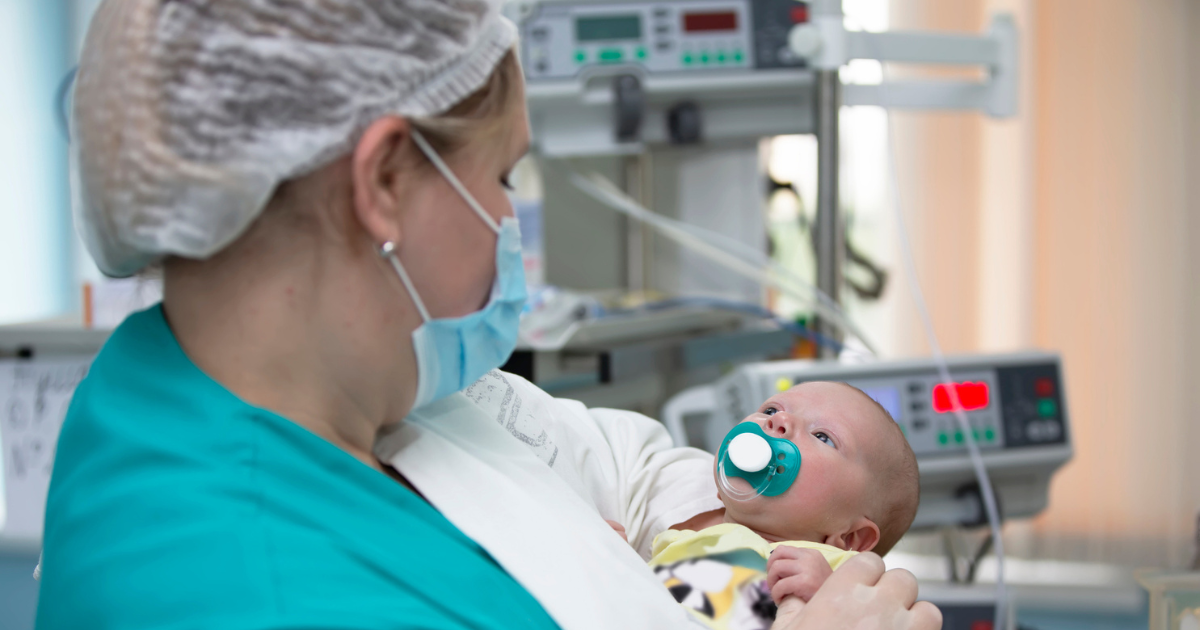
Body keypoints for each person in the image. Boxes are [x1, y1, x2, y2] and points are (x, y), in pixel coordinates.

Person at [37, 1, 941, 629]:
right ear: (386, 180)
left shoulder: (238, 384)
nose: (509, 222)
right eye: (503, 177)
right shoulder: (266, 592)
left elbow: (621, 463)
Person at [644, 381, 920, 629]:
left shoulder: (833, 573)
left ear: (850, 537)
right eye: (771, 410)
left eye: (822, 436)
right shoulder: (676, 539)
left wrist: (827, 593)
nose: (780, 421)